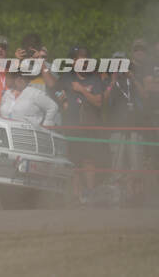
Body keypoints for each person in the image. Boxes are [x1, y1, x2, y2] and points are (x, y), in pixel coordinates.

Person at [58, 45, 104, 203]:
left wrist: (81, 90)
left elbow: (99, 102)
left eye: (86, 58)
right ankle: (76, 195)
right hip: (71, 125)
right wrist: (62, 100)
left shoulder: (94, 79)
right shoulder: (66, 78)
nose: (84, 62)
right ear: (73, 61)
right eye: (79, 58)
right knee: (73, 161)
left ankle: (90, 194)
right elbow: (55, 91)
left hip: (89, 126)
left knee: (89, 161)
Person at [104, 51, 146, 206]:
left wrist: (133, 78)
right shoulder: (108, 80)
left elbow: (144, 96)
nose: (120, 66)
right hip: (116, 128)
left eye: (122, 62)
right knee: (117, 166)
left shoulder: (133, 79)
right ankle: (117, 198)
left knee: (136, 166)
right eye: (117, 63)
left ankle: (136, 198)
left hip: (135, 128)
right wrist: (113, 81)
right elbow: (104, 101)